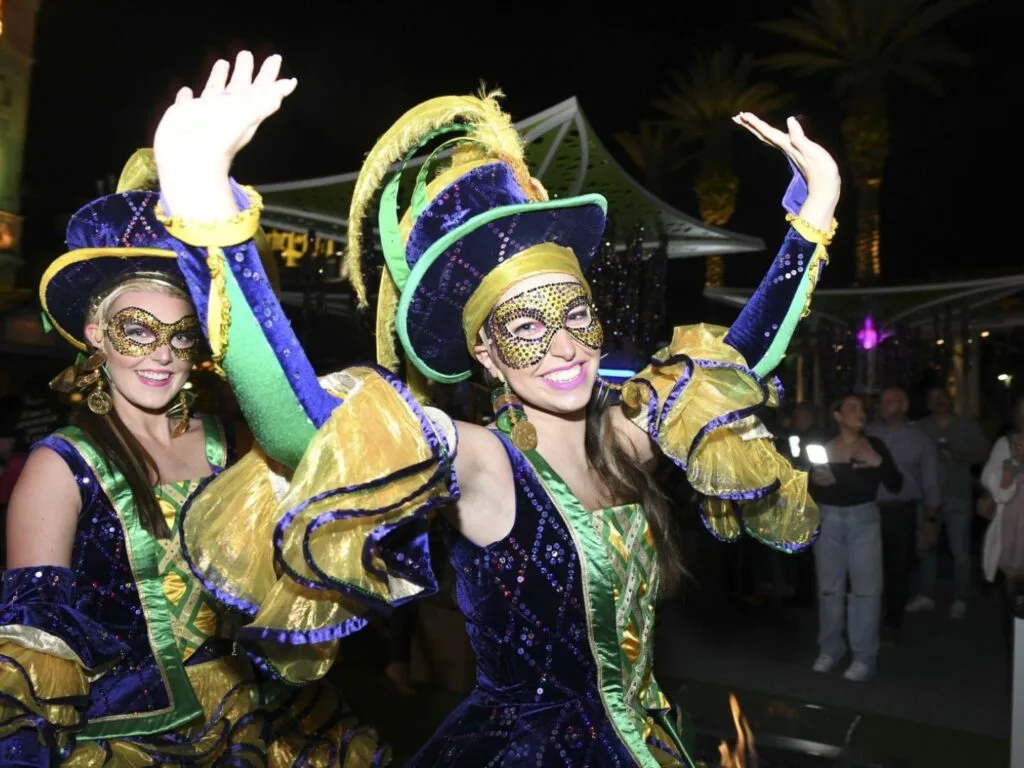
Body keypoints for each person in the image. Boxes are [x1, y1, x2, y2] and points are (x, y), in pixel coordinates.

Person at [155, 52, 838, 767]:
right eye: (525, 326)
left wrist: (813, 212)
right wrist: (211, 221)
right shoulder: (485, 463)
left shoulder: (625, 437)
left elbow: (737, 366)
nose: (563, 345)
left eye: (576, 314)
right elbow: (309, 433)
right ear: (485, 352)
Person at [0, 153, 386, 766]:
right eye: (137, 330)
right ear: (97, 335)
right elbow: (38, 644)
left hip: (259, 717)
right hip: (128, 736)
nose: (162, 354)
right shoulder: (59, 468)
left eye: (181, 334)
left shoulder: (228, 444)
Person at [809, 395, 903, 682]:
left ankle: (864, 657)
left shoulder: (874, 446)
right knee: (829, 589)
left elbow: (896, 484)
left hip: (864, 521)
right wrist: (815, 481)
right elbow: (808, 486)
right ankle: (831, 649)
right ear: (837, 416)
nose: (859, 412)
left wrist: (879, 463)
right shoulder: (823, 447)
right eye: (851, 408)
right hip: (829, 520)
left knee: (866, 591)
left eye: (862, 408)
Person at [865, 386, 941, 642]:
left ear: (904, 406)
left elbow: (930, 482)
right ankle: (867, 616)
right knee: (869, 566)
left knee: (897, 567)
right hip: (869, 510)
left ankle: (893, 620)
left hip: (901, 511)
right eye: (884, 401)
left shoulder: (920, 440)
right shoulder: (869, 434)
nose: (887, 406)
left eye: (893, 401)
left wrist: (930, 519)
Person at [910, 386, 990, 618]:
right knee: (927, 547)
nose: (939, 401)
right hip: (927, 500)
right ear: (927, 404)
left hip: (958, 496)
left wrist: (960, 456)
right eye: (934, 398)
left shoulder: (967, 426)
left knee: (960, 550)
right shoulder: (920, 428)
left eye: (943, 397)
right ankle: (926, 595)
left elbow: (984, 454)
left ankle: (960, 598)